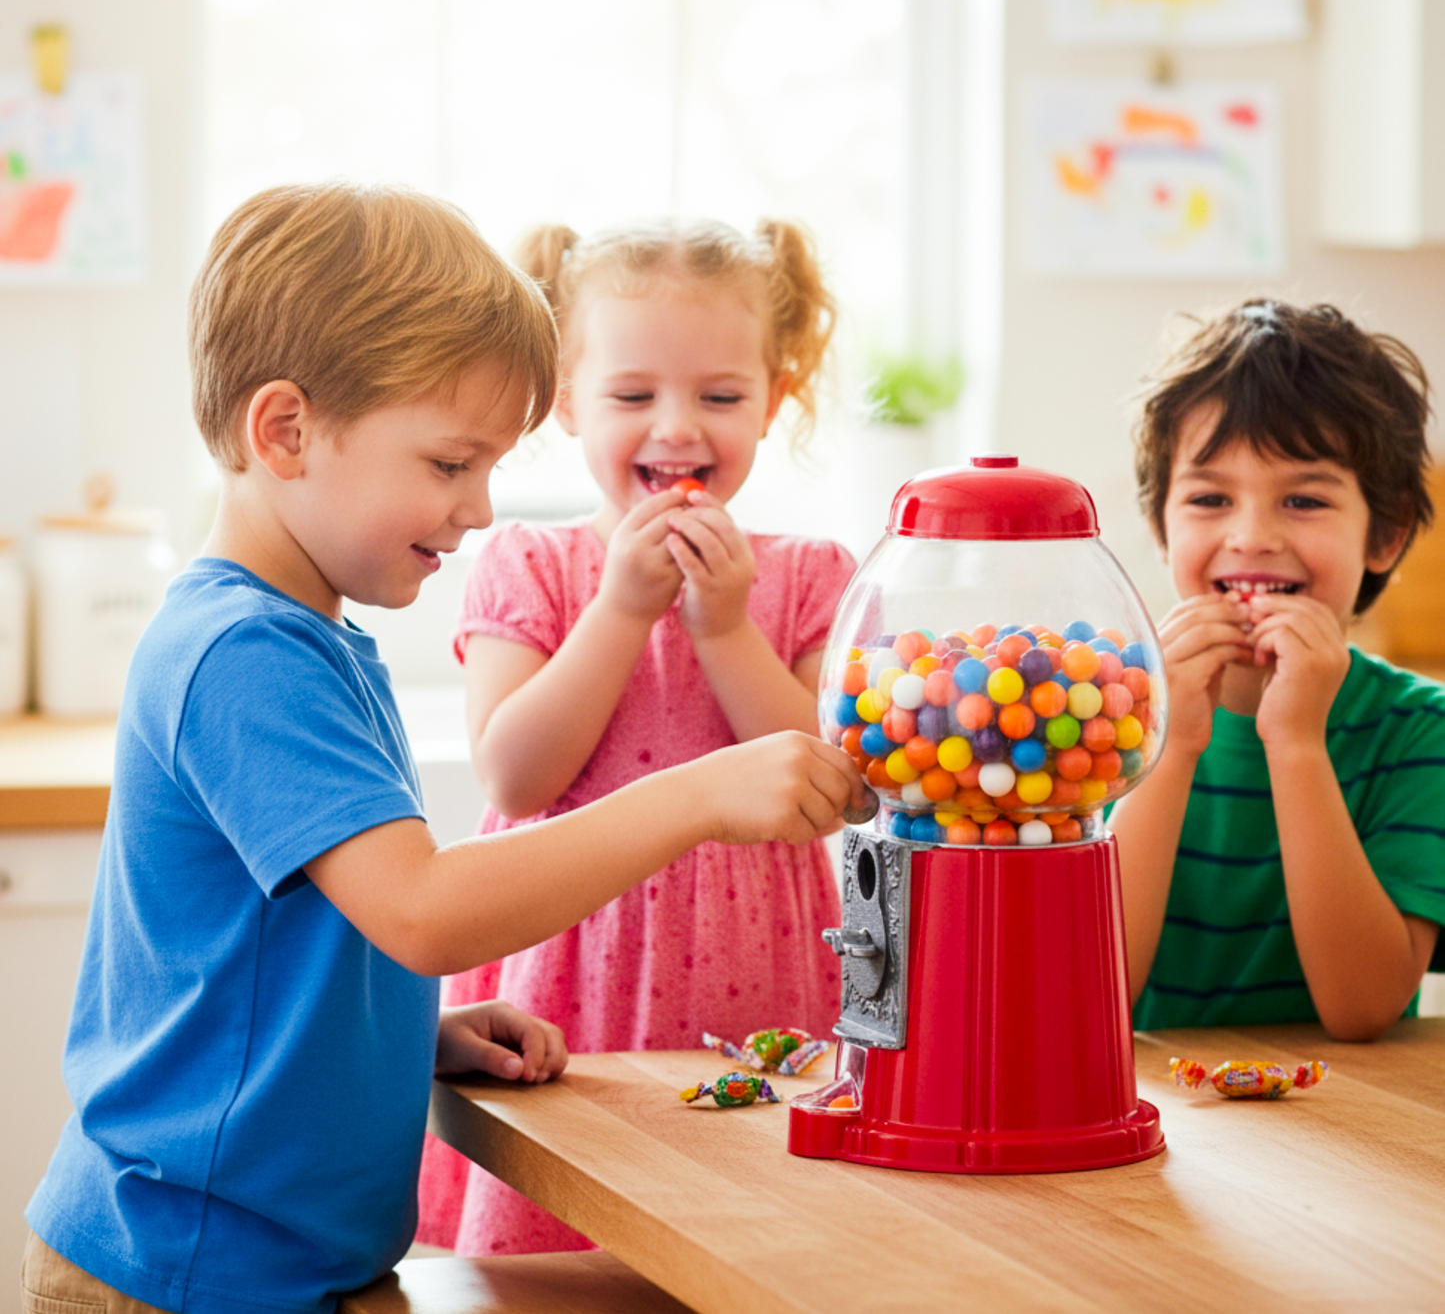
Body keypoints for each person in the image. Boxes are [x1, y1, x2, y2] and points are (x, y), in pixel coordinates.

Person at [21, 184, 867, 1314]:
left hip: (254, 1259)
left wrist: (412, 1034)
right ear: (285, 432)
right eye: (448, 463)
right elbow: (421, 908)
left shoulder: (306, 640)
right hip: (189, 1267)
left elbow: (288, 947)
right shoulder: (244, 654)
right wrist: (698, 794)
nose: (475, 510)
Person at [416, 216, 855, 1255]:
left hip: (763, 970)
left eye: (720, 396)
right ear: (567, 400)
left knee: (753, 1244)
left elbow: (824, 789)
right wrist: (618, 609)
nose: (677, 427)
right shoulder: (530, 563)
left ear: (775, 398)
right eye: (630, 395)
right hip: (568, 966)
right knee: (559, 1255)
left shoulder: (810, 575)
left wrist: (724, 626)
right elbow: (515, 776)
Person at [1111, 298, 1445, 1042]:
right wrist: (1172, 744)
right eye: (1209, 498)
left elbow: (1363, 1006)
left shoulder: (1422, 732)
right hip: (1150, 1102)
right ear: (1160, 527)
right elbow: (1089, 987)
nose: (1252, 535)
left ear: (1386, 534)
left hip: (1345, 1106)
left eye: (1302, 499)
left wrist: (1296, 743)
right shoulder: (1102, 711)